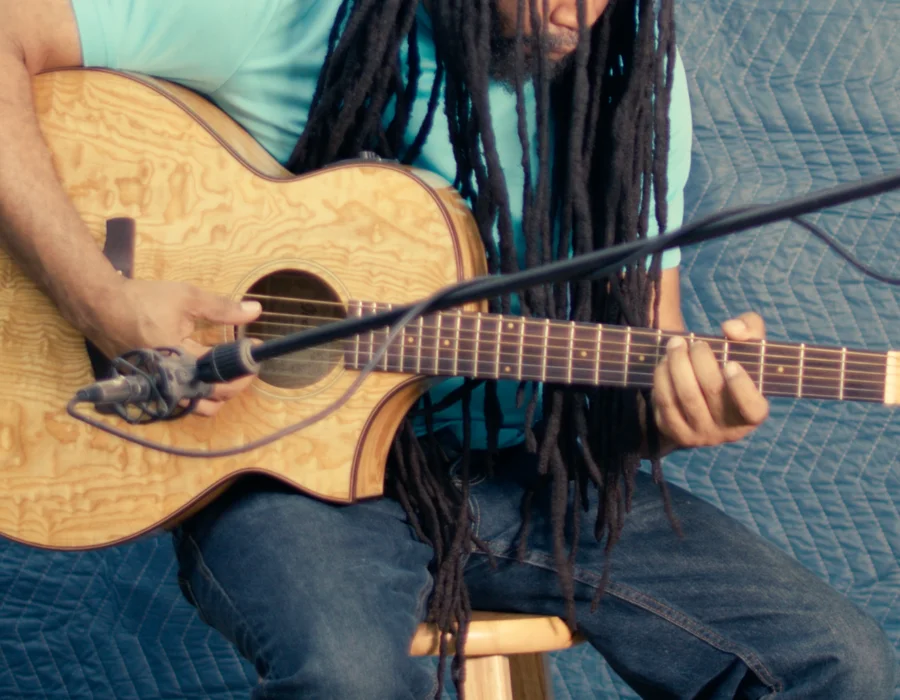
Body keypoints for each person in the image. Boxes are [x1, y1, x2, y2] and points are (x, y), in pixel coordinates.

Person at [0, 0, 895, 698]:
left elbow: (641, 357)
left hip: (517, 479)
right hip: (284, 479)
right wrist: (102, 299)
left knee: (836, 664)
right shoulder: (289, 17)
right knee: (352, 677)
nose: (575, 12)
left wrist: (679, 416)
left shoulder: (630, 81)